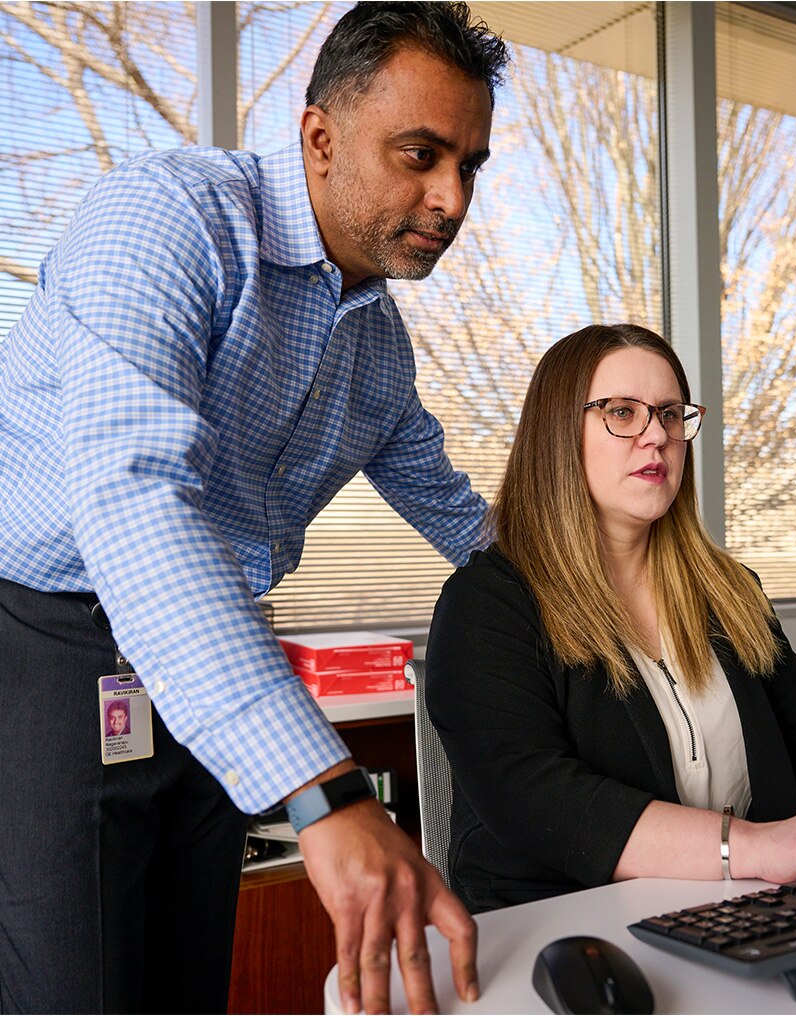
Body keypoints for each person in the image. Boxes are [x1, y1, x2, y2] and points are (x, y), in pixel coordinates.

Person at [0, 3, 508, 1013]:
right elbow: (140, 503)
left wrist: (619, 588)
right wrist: (327, 792)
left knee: (188, 983)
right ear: (319, 137)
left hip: (206, 650)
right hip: (48, 636)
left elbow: (462, 520)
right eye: (420, 155)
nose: (450, 198)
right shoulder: (166, 220)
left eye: (470, 166)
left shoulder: (375, 345)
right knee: (74, 988)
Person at [426, 323, 796, 915]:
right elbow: (536, 797)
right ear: (558, 434)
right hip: (564, 925)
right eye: (622, 413)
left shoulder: (730, 590)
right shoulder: (487, 603)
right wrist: (755, 847)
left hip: (746, 908)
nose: (657, 436)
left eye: (669, 414)